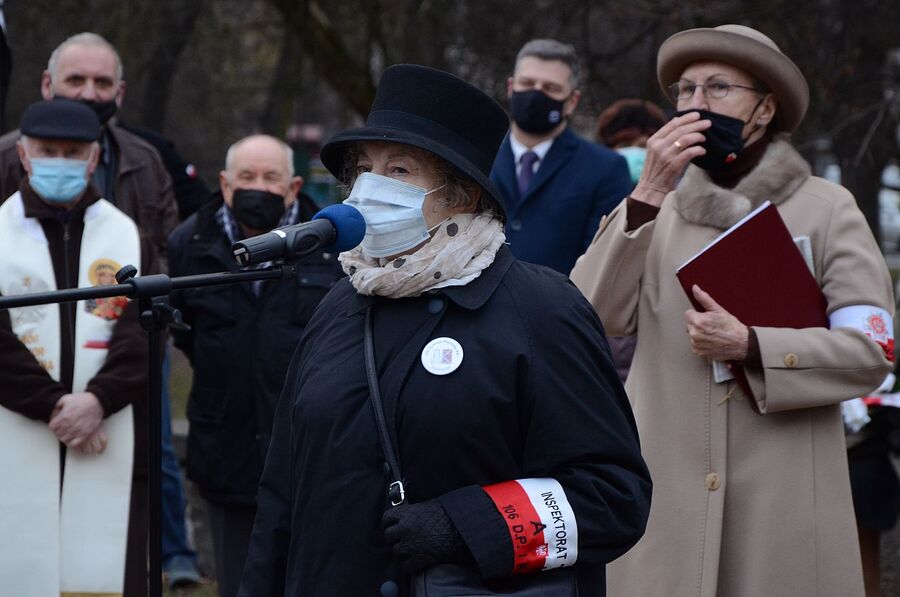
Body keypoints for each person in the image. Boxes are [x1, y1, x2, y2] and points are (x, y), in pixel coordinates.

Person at [238, 64, 651, 596]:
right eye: (364, 168)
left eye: (401, 170)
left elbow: (613, 497)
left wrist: (468, 525)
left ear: (462, 196)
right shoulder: (341, 302)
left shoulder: (541, 309)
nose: (369, 187)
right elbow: (282, 493)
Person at [571, 24, 894, 597]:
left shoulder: (826, 208)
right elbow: (586, 319)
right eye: (685, 91)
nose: (696, 105)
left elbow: (872, 353)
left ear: (765, 108)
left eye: (718, 88)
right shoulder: (652, 209)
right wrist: (644, 199)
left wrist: (753, 346)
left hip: (785, 510)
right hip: (664, 506)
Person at [168, 134, 345, 597]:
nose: (258, 187)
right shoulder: (190, 244)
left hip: (309, 454)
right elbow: (186, 335)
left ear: (294, 187)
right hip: (225, 448)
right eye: (246, 177)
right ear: (225, 184)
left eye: (271, 178)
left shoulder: (333, 246)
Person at [0, 99, 156, 596]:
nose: (60, 161)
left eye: (73, 152)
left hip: (107, 427)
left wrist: (97, 402)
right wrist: (57, 408)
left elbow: (142, 333)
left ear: (93, 160)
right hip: (18, 425)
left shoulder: (127, 235)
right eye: (48, 150)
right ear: (24, 156)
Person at [0, 32, 178, 265]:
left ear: (120, 93)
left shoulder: (145, 161)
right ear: (47, 84)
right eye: (75, 80)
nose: (88, 94)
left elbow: (166, 251)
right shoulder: (4, 159)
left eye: (102, 83)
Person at [489, 39, 632, 275]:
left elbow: (599, 262)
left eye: (550, 88)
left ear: (572, 101)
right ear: (511, 87)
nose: (536, 94)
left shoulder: (606, 168)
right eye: (527, 83)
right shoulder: (476, 156)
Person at [594, 98, 668, 383]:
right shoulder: (596, 194)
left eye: (644, 144)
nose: (635, 153)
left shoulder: (680, 202)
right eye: (625, 145)